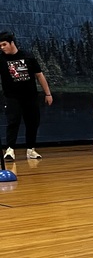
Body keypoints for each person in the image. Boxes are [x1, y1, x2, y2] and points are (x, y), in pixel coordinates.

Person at [0, 31, 53, 161]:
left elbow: (39, 75)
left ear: (12, 43)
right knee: (13, 121)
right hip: (12, 97)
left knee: (32, 122)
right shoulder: (1, 59)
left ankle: (31, 149)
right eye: (0, 46)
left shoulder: (28, 57)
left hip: (30, 96)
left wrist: (48, 93)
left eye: (4, 44)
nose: (2, 47)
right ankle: (10, 149)